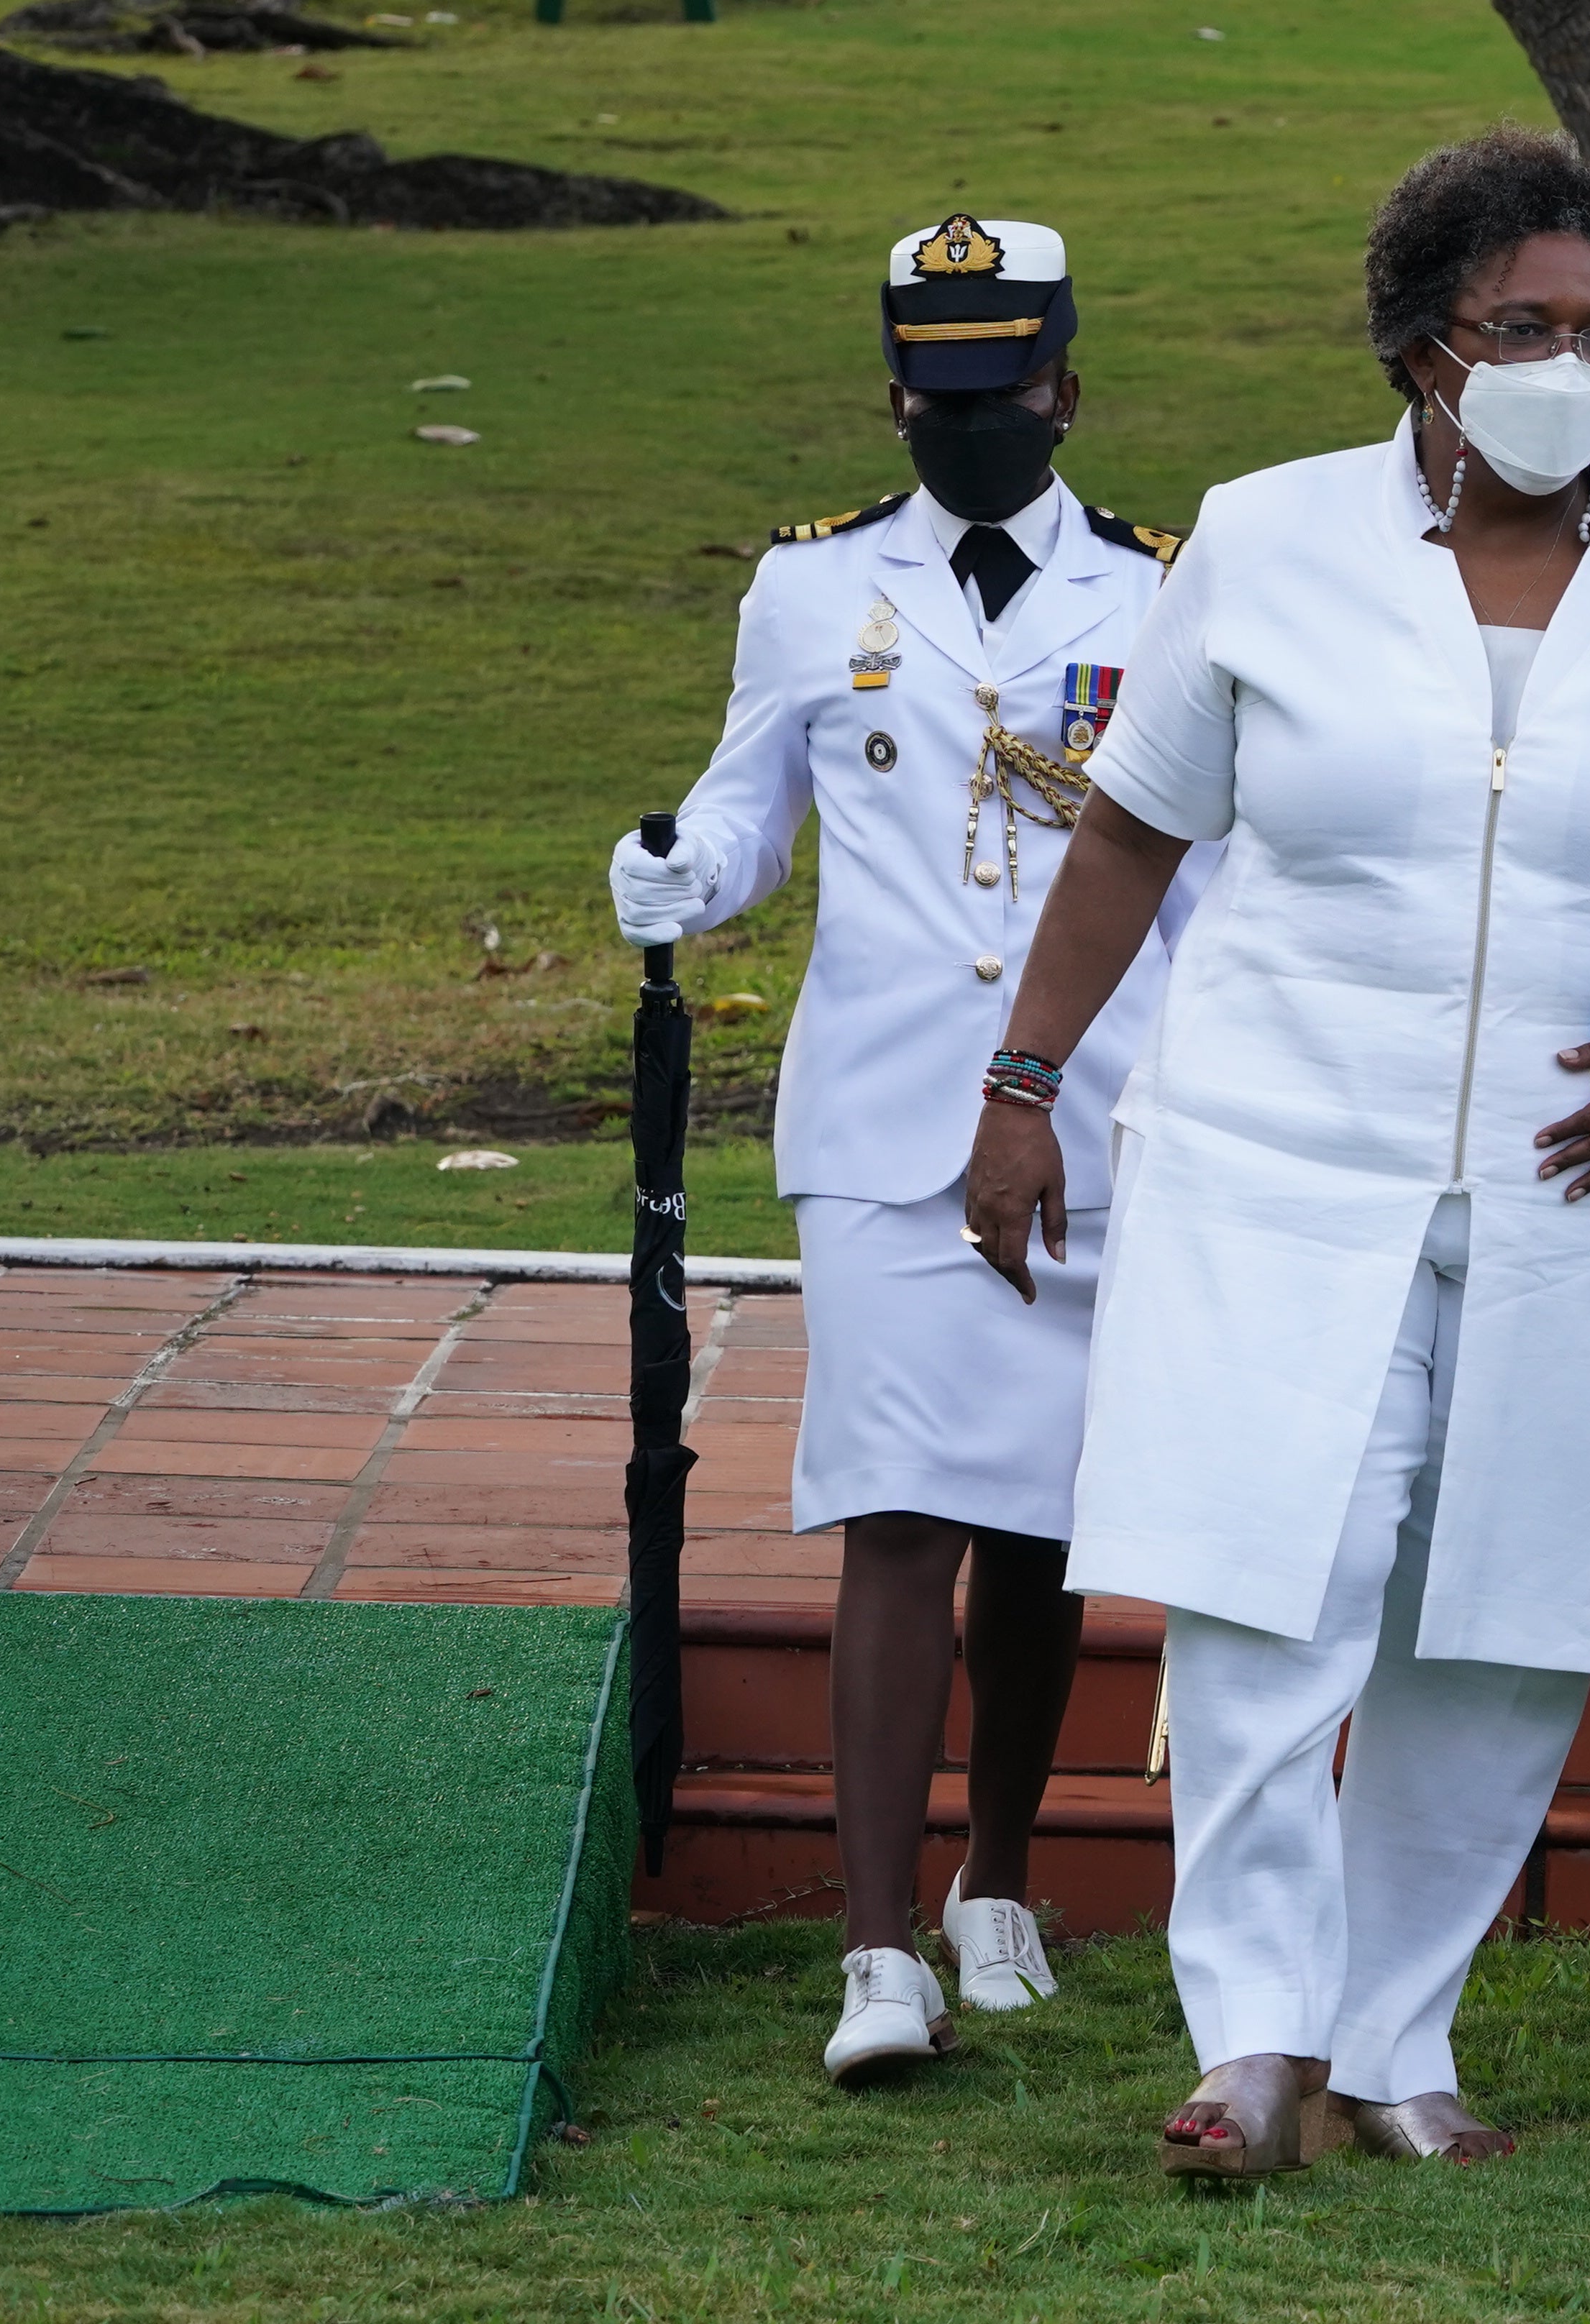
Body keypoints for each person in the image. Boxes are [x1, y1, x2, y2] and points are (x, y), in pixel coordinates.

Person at [956, 132, 1590, 2178]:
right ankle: (1257, 2040)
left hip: (1582, 1180)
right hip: (1284, 1157)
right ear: (1420, 350)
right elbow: (1130, 830)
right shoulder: (1266, 542)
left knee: (1512, 1614)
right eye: (1521, 327)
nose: (1568, 365)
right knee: (1280, 1587)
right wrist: (1023, 1089)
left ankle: (1395, 2037)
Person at [608, 214, 1191, 2088]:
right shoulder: (812, 590)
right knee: (897, 1507)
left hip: (1098, 1107)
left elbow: (1205, 867)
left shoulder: (1161, 588)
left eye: (1004, 394)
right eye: (937, 400)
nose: (972, 428)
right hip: (884, 1118)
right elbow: (747, 809)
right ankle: (876, 1949)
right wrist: (681, 877)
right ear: (899, 398)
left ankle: (997, 1884)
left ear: (1066, 389)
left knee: (1041, 1524)